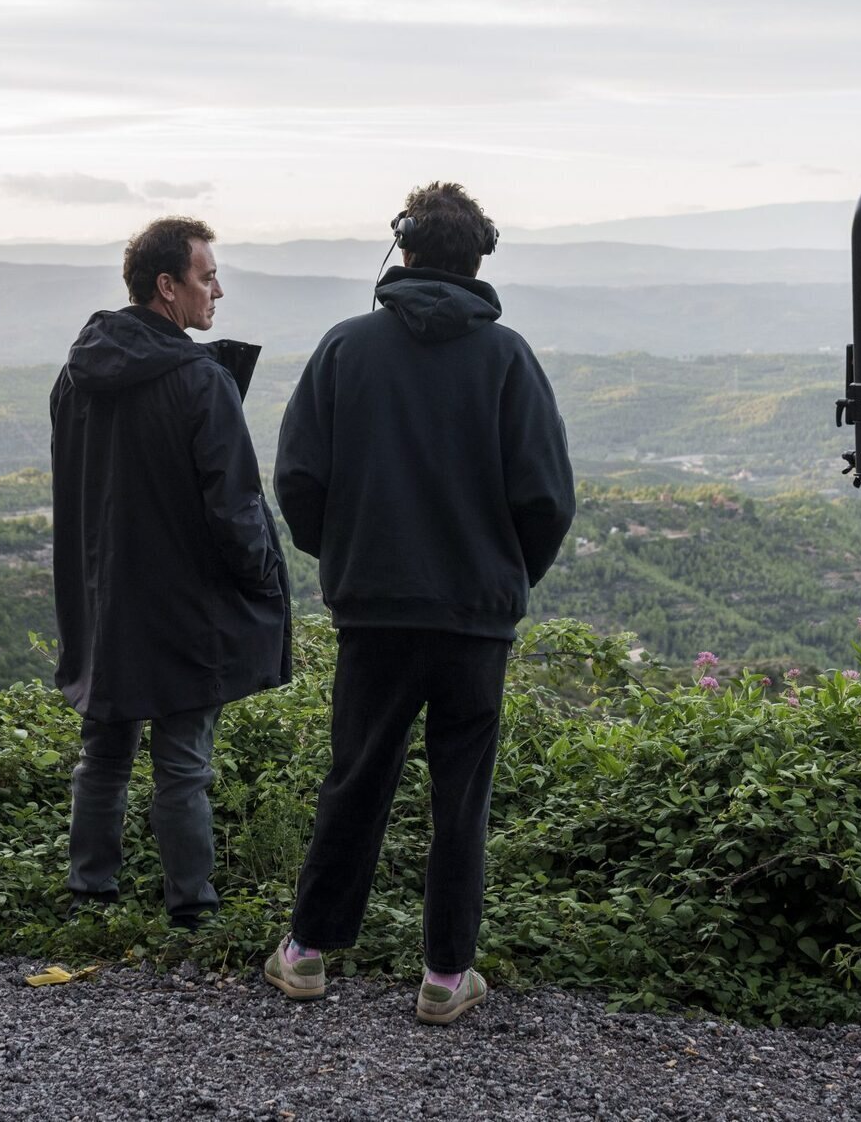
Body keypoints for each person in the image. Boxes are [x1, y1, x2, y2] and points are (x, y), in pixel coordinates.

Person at [263, 181, 575, 1023]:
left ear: (401, 251)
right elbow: (545, 499)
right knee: (460, 798)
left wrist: (353, 556)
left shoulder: (344, 348)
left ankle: (306, 955)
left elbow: (297, 478)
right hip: (475, 620)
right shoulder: (508, 359)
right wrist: (504, 580)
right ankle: (444, 976)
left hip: (374, 612)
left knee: (356, 779)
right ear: (478, 260)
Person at [49, 216, 290, 928]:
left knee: (105, 751)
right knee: (183, 760)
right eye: (206, 275)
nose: (218, 290)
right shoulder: (199, 381)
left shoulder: (76, 375)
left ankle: (91, 889)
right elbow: (236, 507)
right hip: (186, 605)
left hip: (106, 602)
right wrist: (264, 582)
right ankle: (192, 908)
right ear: (167, 286)